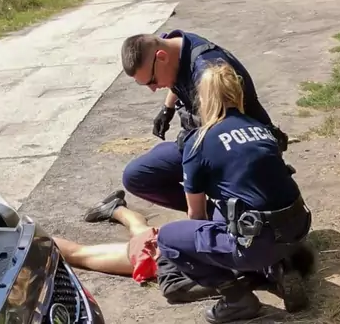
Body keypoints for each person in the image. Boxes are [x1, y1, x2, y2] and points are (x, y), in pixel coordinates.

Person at [155, 61, 313, 323]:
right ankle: (279, 268)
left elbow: (196, 216)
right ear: (237, 95)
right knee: (229, 212)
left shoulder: (199, 141)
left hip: (258, 241)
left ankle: (236, 297)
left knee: (169, 239)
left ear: (202, 99)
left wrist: (212, 260)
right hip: (295, 229)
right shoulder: (262, 129)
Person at [119, 30, 289, 213]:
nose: (152, 89)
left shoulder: (208, 70)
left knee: (201, 177)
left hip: (235, 152)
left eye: (152, 81)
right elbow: (176, 76)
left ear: (161, 57)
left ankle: (230, 215)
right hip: (208, 143)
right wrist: (167, 109)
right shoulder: (171, 45)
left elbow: (221, 137)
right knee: (136, 176)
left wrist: (194, 181)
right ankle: (214, 213)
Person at [53, 189, 221, 303]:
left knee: (143, 233)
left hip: (176, 241)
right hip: (159, 254)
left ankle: (115, 209)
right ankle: (32, 241)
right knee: (80, 255)